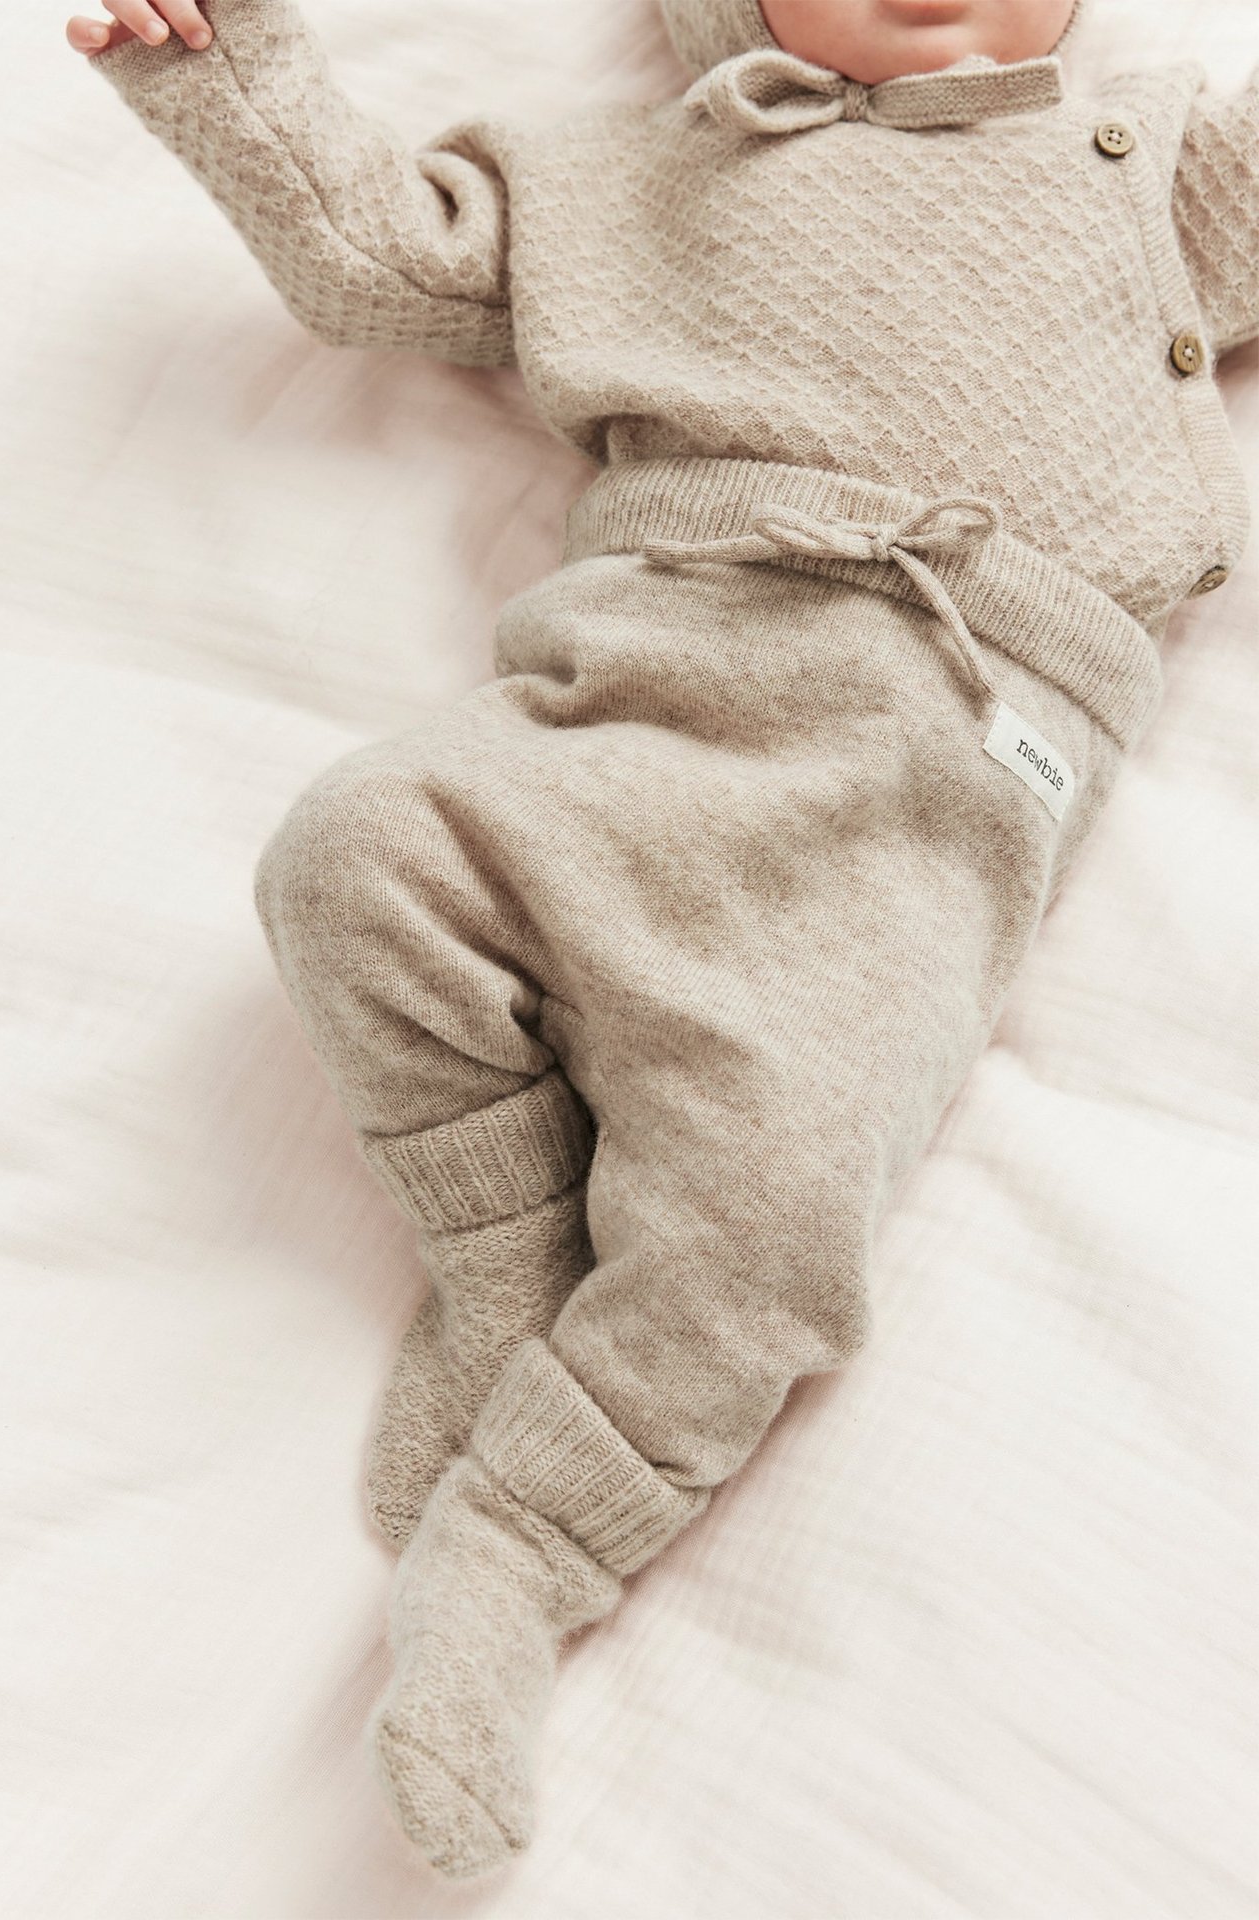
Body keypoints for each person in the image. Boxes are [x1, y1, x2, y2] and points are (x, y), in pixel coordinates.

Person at [67, 0, 1258, 1879]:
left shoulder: (1144, 170)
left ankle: (514, 1560)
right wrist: (219, 64)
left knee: (776, 1220)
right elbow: (377, 253)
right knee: (356, 852)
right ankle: (511, 1258)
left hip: (924, 786)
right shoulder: (628, 171)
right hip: (640, 681)